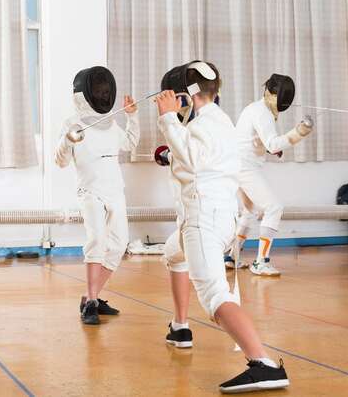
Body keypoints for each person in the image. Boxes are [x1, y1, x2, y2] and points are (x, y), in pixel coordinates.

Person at [156, 60, 289, 393]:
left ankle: (263, 364)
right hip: (209, 219)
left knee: (215, 295)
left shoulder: (205, 125)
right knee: (174, 254)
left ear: (188, 95)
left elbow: (194, 158)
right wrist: (171, 147)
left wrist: (168, 119)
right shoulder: (218, 120)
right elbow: (194, 156)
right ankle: (180, 326)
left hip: (204, 221)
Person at [55, 66, 139, 324]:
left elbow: (130, 144)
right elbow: (60, 162)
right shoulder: (73, 125)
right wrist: (68, 141)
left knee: (118, 244)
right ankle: (91, 302)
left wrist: (132, 116)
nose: (103, 94)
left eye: (105, 90)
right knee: (97, 241)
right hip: (90, 192)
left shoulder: (111, 123)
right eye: (98, 90)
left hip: (115, 191)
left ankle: (90, 297)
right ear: (85, 94)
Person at [228, 74, 313, 276]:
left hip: (238, 164)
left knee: (248, 211)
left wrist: (271, 148)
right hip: (244, 166)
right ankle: (261, 262)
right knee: (274, 207)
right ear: (269, 93)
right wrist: (298, 132)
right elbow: (273, 143)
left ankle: (231, 257)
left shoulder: (256, 109)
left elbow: (256, 141)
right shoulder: (262, 112)